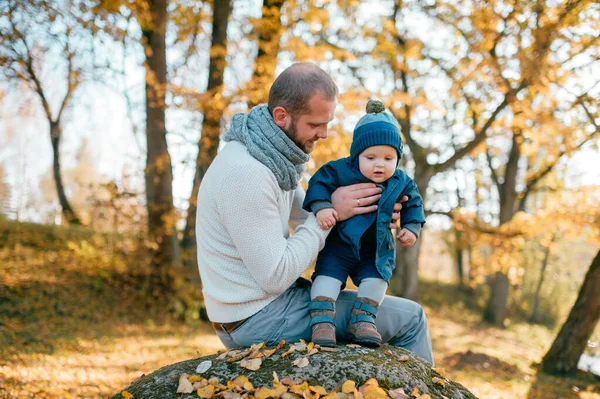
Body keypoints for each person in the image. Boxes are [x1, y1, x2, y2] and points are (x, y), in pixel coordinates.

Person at [195, 62, 434, 364]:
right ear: (282, 116)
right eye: (315, 124)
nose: (323, 134)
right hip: (255, 318)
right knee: (411, 318)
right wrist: (332, 210)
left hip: (261, 306)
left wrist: (369, 211)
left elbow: (302, 215)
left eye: (328, 123)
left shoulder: (269, 156)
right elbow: (276, 275)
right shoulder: (248, 174)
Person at [303, 99, 426, 348]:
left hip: (376, 249)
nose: (380, 164)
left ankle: (364, 320)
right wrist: (322, 206)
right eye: (370, 157)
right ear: (356, 154)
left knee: (377, 279)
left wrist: (411, 228)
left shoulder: (401, 181)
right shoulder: (339, 170)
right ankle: (322, 321)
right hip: (339, 243)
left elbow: (414, 203)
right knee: (326, 278)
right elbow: (318, 184)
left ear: (397, 159)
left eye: (389, 158)